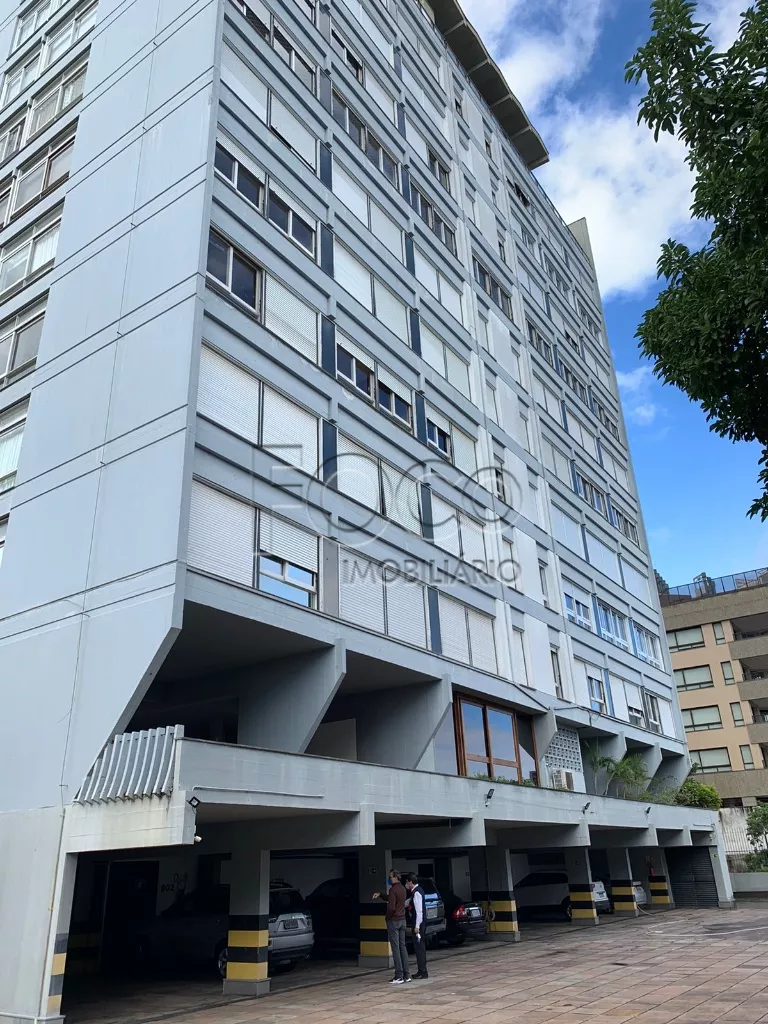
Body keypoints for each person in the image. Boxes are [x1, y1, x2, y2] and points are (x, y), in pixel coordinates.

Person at [372, 869, 410, 984]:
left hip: (394, 921)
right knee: (402, 947)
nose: (389, 879)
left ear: (395, 878)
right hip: (402, 920)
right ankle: (406, 974)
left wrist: (387, 917)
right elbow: (392, 899)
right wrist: (381, 895)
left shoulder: (393, 889)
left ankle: (398, 975)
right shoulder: (402, 889)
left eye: (390, 877)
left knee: (395, 948)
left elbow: (392, 907)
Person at [404, 873, 428, 979]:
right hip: (419, 923)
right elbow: (407, 903)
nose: (406, 884)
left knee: (419, 948)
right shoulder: (416, 892)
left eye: (407, 882)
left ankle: (423, 971)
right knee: (419, 947)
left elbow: (419, 911)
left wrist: (417, 926)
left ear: (410, 882)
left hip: (419, 923)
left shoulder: (417, 893)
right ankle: (421, 970)